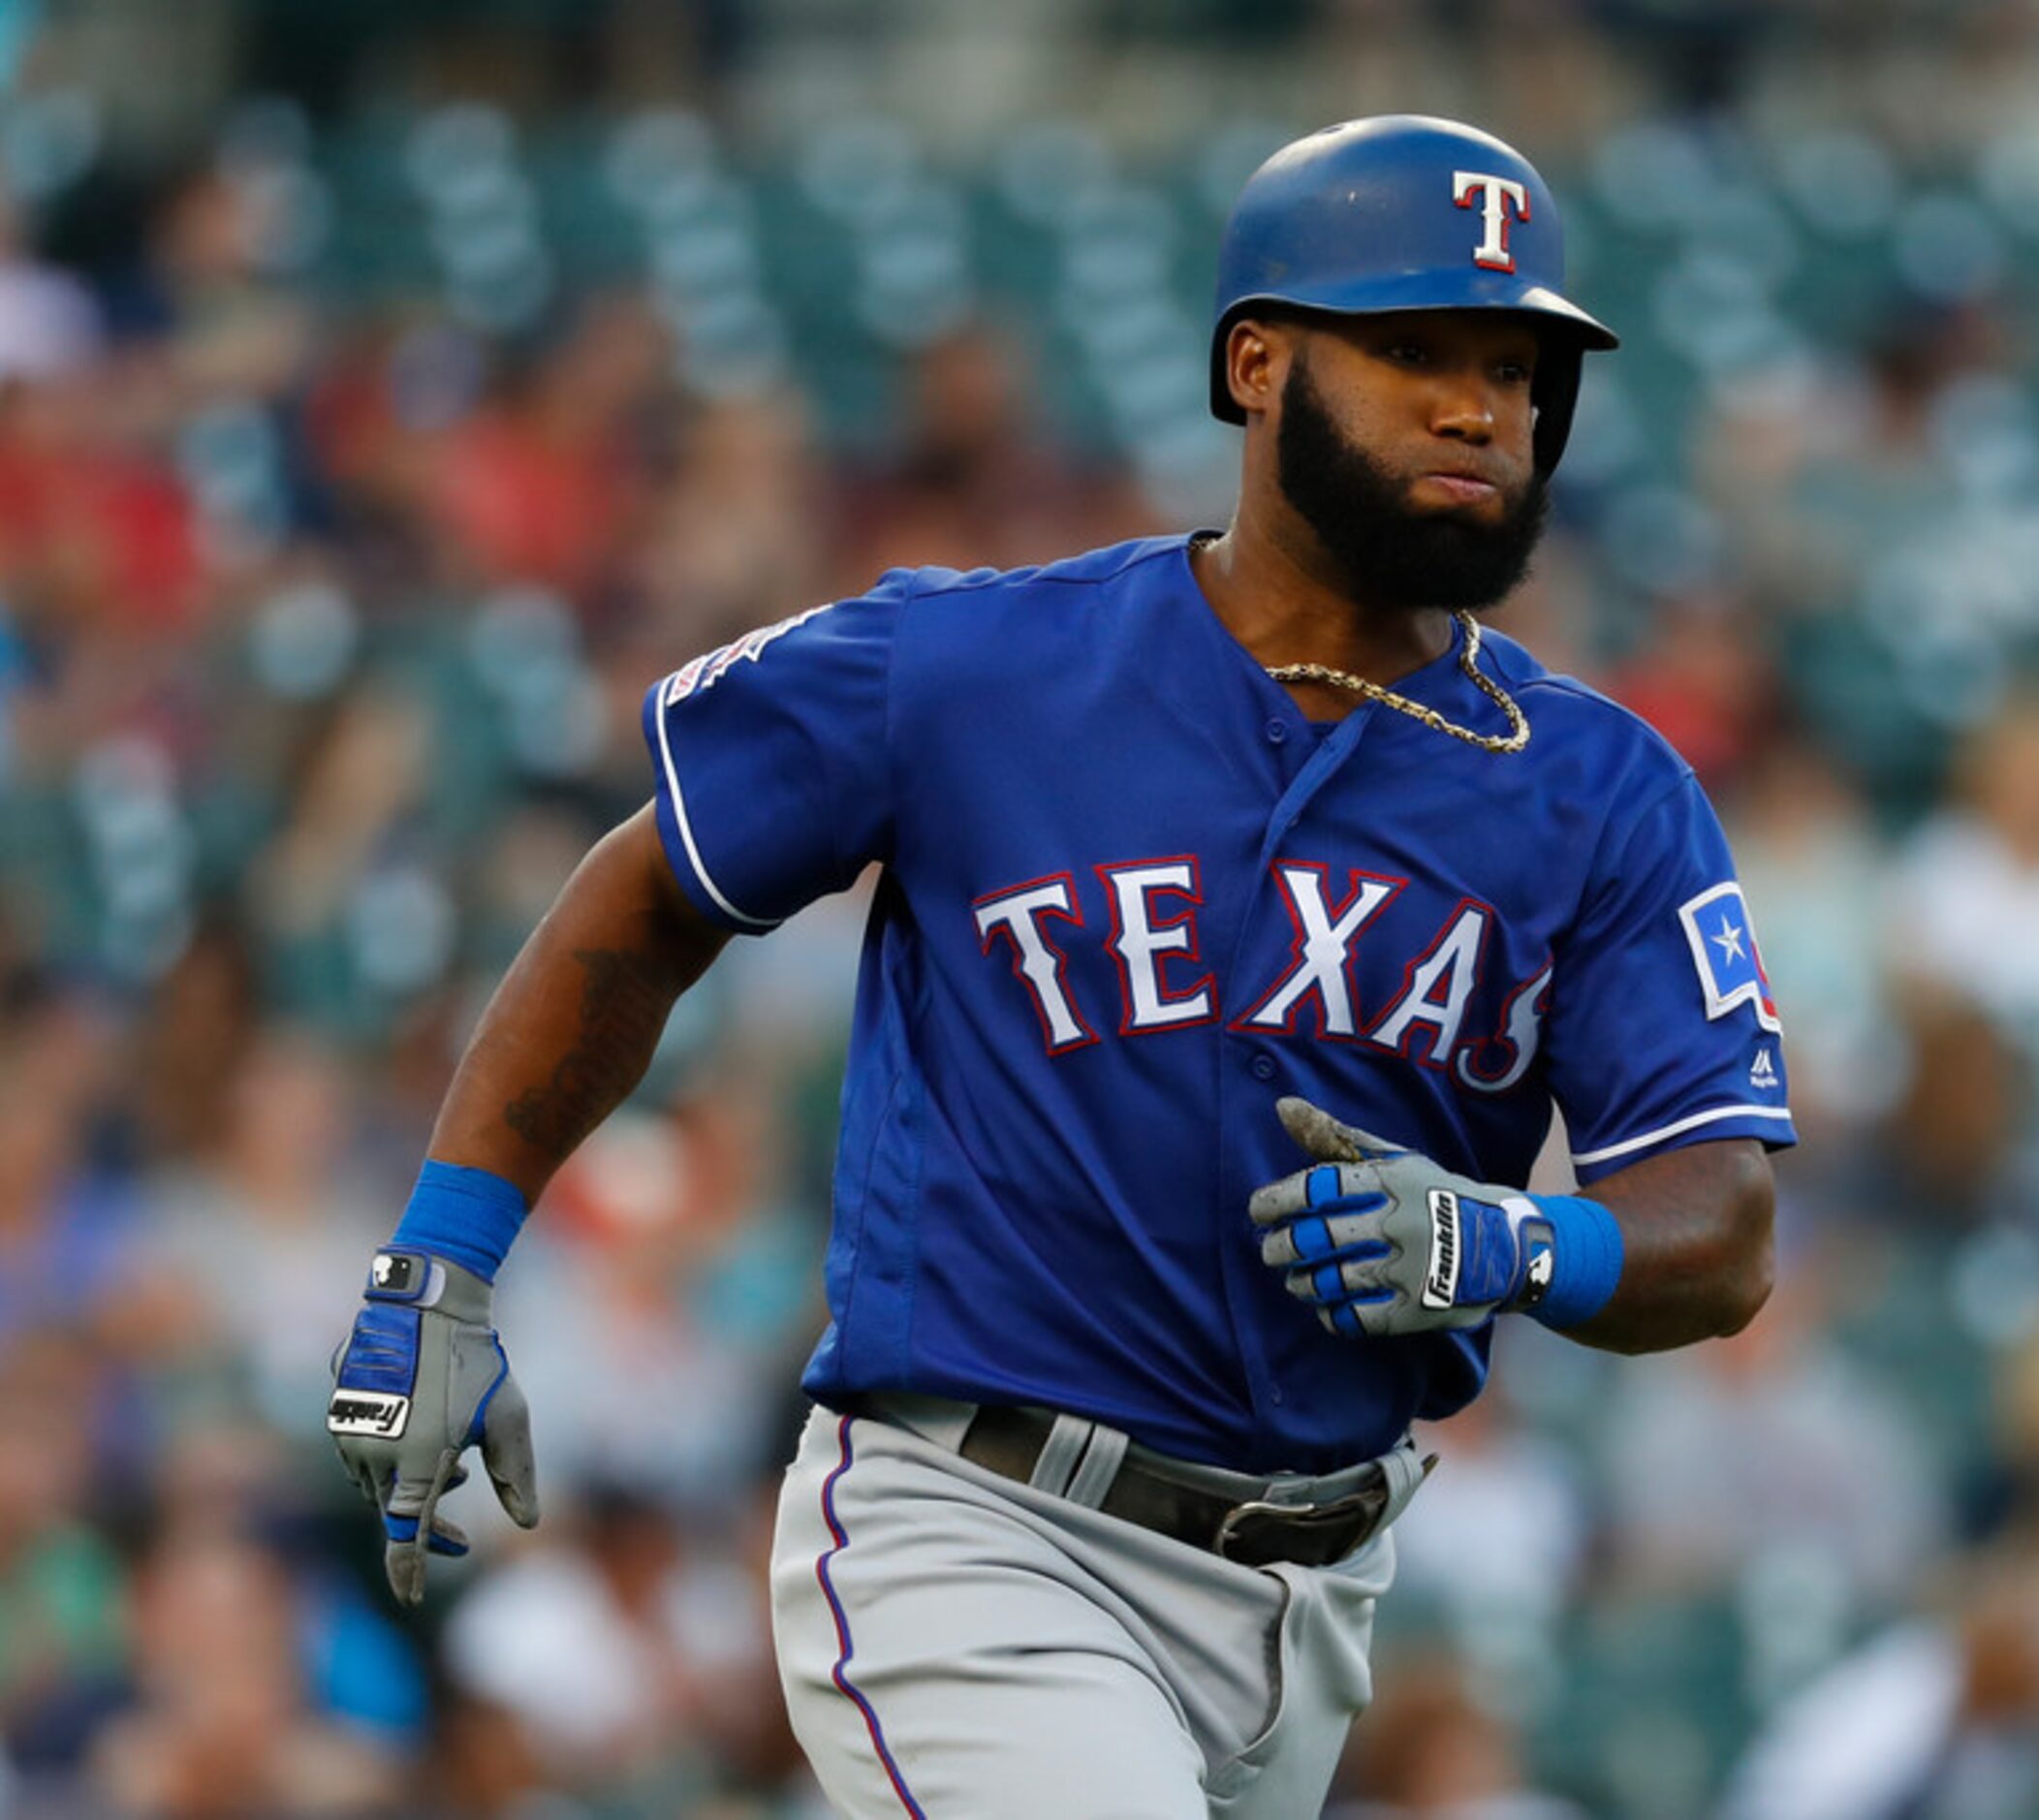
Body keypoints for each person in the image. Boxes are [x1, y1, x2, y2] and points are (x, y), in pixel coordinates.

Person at [323, 114, 1792, 1819]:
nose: (1481, 407)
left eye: (1518, 368)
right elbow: (645, 895)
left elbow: (1726, 1225)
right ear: (1257, 362)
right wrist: (445, 1255)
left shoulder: (1600, 788)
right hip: (976, 1528)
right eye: (1411, 351)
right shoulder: (970, 666)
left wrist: (1509, 1234)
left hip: (1316, 1591)